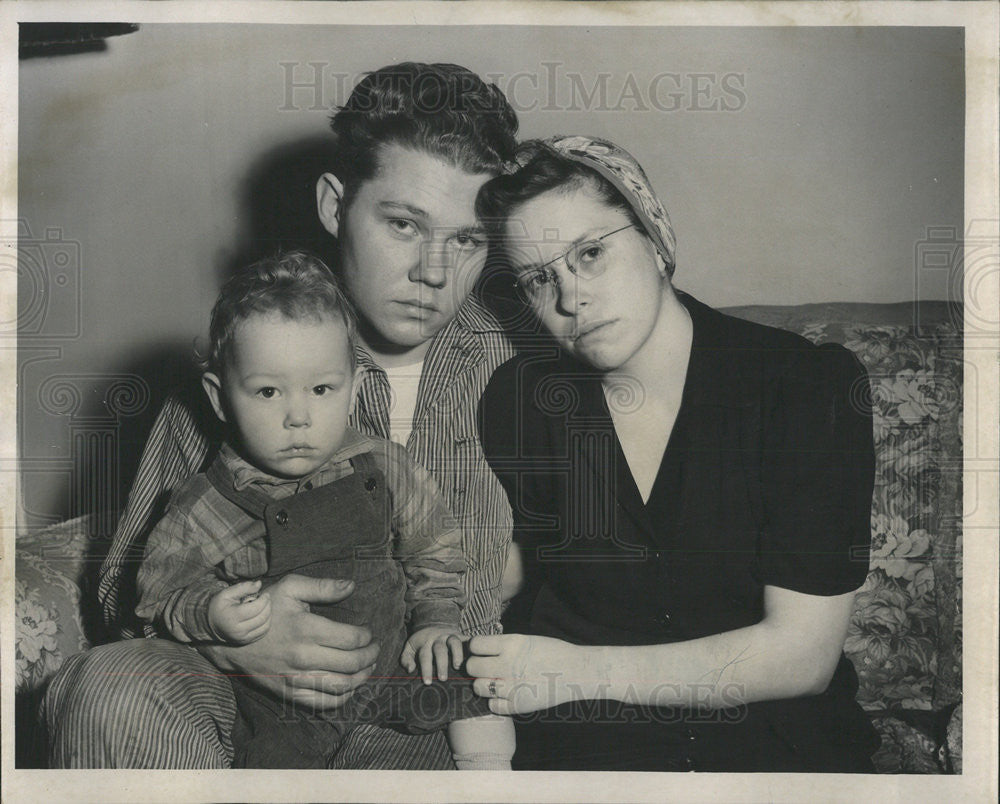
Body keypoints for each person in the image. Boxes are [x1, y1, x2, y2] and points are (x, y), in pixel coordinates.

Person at [43, 62, 519, 769]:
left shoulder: (525, 369)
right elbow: (122, 589)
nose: (433, 273)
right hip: (242, 708)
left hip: (425, 725)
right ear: (335, 206)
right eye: (403, 224)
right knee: (107, 685)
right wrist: (234, 638)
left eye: (467, 240)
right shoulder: (241, 368)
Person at [467, 136, 881, 772]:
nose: (570, 298)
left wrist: (579, 671)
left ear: (656, 241)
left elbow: (802, 658)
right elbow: (505, 572)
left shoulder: (802, 386)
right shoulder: (520, 403)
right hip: (594, 754)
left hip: (773, 750)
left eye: (592, 254)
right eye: (538, 279)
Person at [133, 252, 514, 769]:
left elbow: (436, 547)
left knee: (481, 683)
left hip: (393, 663)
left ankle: (490, 777)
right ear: (220, 400)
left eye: (321, 389)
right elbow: (157, 591)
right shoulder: (207, 504)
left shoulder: (382, 464)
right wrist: (210, 614)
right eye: (268, 391)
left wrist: (435, 620)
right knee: (268, 765)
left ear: (352, 388)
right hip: (283, 700)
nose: (299, 416)